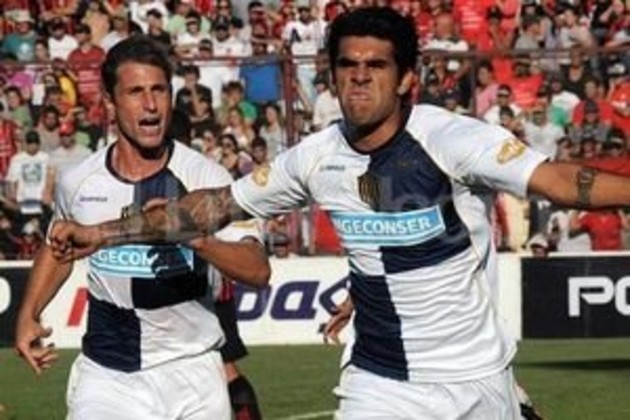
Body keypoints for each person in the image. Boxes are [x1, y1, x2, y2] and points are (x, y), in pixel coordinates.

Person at [47, 7, 630, 419]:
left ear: (406, 78)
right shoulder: (316, 156)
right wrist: (103, 232)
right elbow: (214, 206)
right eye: (348, 64)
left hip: (477, 378)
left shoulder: (453, 140)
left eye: (376, 65)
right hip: (380, 383)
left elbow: (562, 182)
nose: (359, 76)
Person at [14, 36, 270, 420]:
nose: (151, 105)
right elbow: (58, 247)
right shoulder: (78, 181)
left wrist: (197, 238)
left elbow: (257, 269)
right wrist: (29, 314)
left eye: (159, 90)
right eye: (136, 92)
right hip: (109, 374)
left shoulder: (208, 177)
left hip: (193, 370)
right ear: (110, 102)